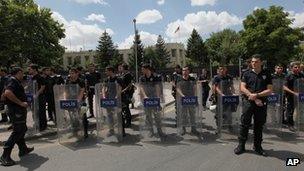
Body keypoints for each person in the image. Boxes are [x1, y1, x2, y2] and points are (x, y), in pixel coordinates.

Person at [234, 54, 272, 156]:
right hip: (248, 102)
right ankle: (241, 146)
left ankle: (258, 146)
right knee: (244, 124)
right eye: (252, 62)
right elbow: (242, 87)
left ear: (261, 63)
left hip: (261, 103)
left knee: (259, 125)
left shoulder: (267, 74)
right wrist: (252, 96)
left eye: (256, 61)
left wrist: (257, 95)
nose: (253, 63)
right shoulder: (246, 73)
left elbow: (269, 90)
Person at [0, 67, 34, 167]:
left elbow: (3, 94)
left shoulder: (11, 81)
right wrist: (20, 103)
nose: (23, 75)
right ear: (18, 73)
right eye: (22, 73)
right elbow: (7, 93)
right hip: (16, 110)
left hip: (16, 110)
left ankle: (23, 149)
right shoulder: (12, 80)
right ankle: (5, 155)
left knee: (22, 129)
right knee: (18, 131)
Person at [139, 64, 164, 138]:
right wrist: (145, 96)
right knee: (148, 116)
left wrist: (158, 98)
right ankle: (151, 131)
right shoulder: (142, 78)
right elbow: (141, 88)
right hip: (146, 100)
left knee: (157, 116)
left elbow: (157, 87)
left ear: (147, 69)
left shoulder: (155, 77)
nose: (141, 70)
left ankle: (160, 131)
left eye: (143, 69)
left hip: (154, 99)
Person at [176, 66, 199, 135]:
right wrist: (182, 95)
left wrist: (195, 97)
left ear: (188, 71)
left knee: (192, 114)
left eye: (186, 70)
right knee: (183, 115)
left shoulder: (192, 79)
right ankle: (183, 129)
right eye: (183, 70)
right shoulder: (179, 79)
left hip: (191, 99)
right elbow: (177, 88)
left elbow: (195, 88)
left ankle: (193, 129)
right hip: (183, 100)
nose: (184, 72)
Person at [66, 68, 88, 138]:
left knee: (83, 116)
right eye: (70, 73)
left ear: (77, 73)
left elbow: (82, 91)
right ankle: (75, 132)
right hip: (71, 102)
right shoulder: (68, 81)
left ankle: (85, 132)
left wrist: (78, 101)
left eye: (72, 73)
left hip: (82, 102)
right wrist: (66, 100)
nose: (71, 75)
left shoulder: (81, 81)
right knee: (73, 117)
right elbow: (66, 91)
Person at [284, 61, 304, 132]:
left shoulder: (301, 75)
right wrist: (294, 93)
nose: (297, 68)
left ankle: (300, 124)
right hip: (291, 96)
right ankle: (290, 125)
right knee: (290, 111)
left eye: (298, 67)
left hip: (301, 96)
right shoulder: (288, 76)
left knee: (300, 110)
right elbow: (284, 87)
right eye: (296, 67)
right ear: (291, 68)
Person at [28, 64, 47, 131]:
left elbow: (43, 87)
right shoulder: (32, 77)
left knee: (41, 112)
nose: (28, 70)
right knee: (35, 112)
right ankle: (37, 124)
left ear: (34, 69)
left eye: (30, 69)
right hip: (34, 97)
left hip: (40, 97)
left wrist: (37, 94)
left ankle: (43, 126)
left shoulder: (40, 77)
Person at [117, 63, 134, 128]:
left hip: (126, 93)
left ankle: (128, 122)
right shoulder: (122, 74)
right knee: (124, 107)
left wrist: (123, 90)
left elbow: (130, 85)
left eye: (121, 67)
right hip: (122, 93)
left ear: (124, 68)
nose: (120, 69)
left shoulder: (128, 75)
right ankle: (126, 120)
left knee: (126, 107)